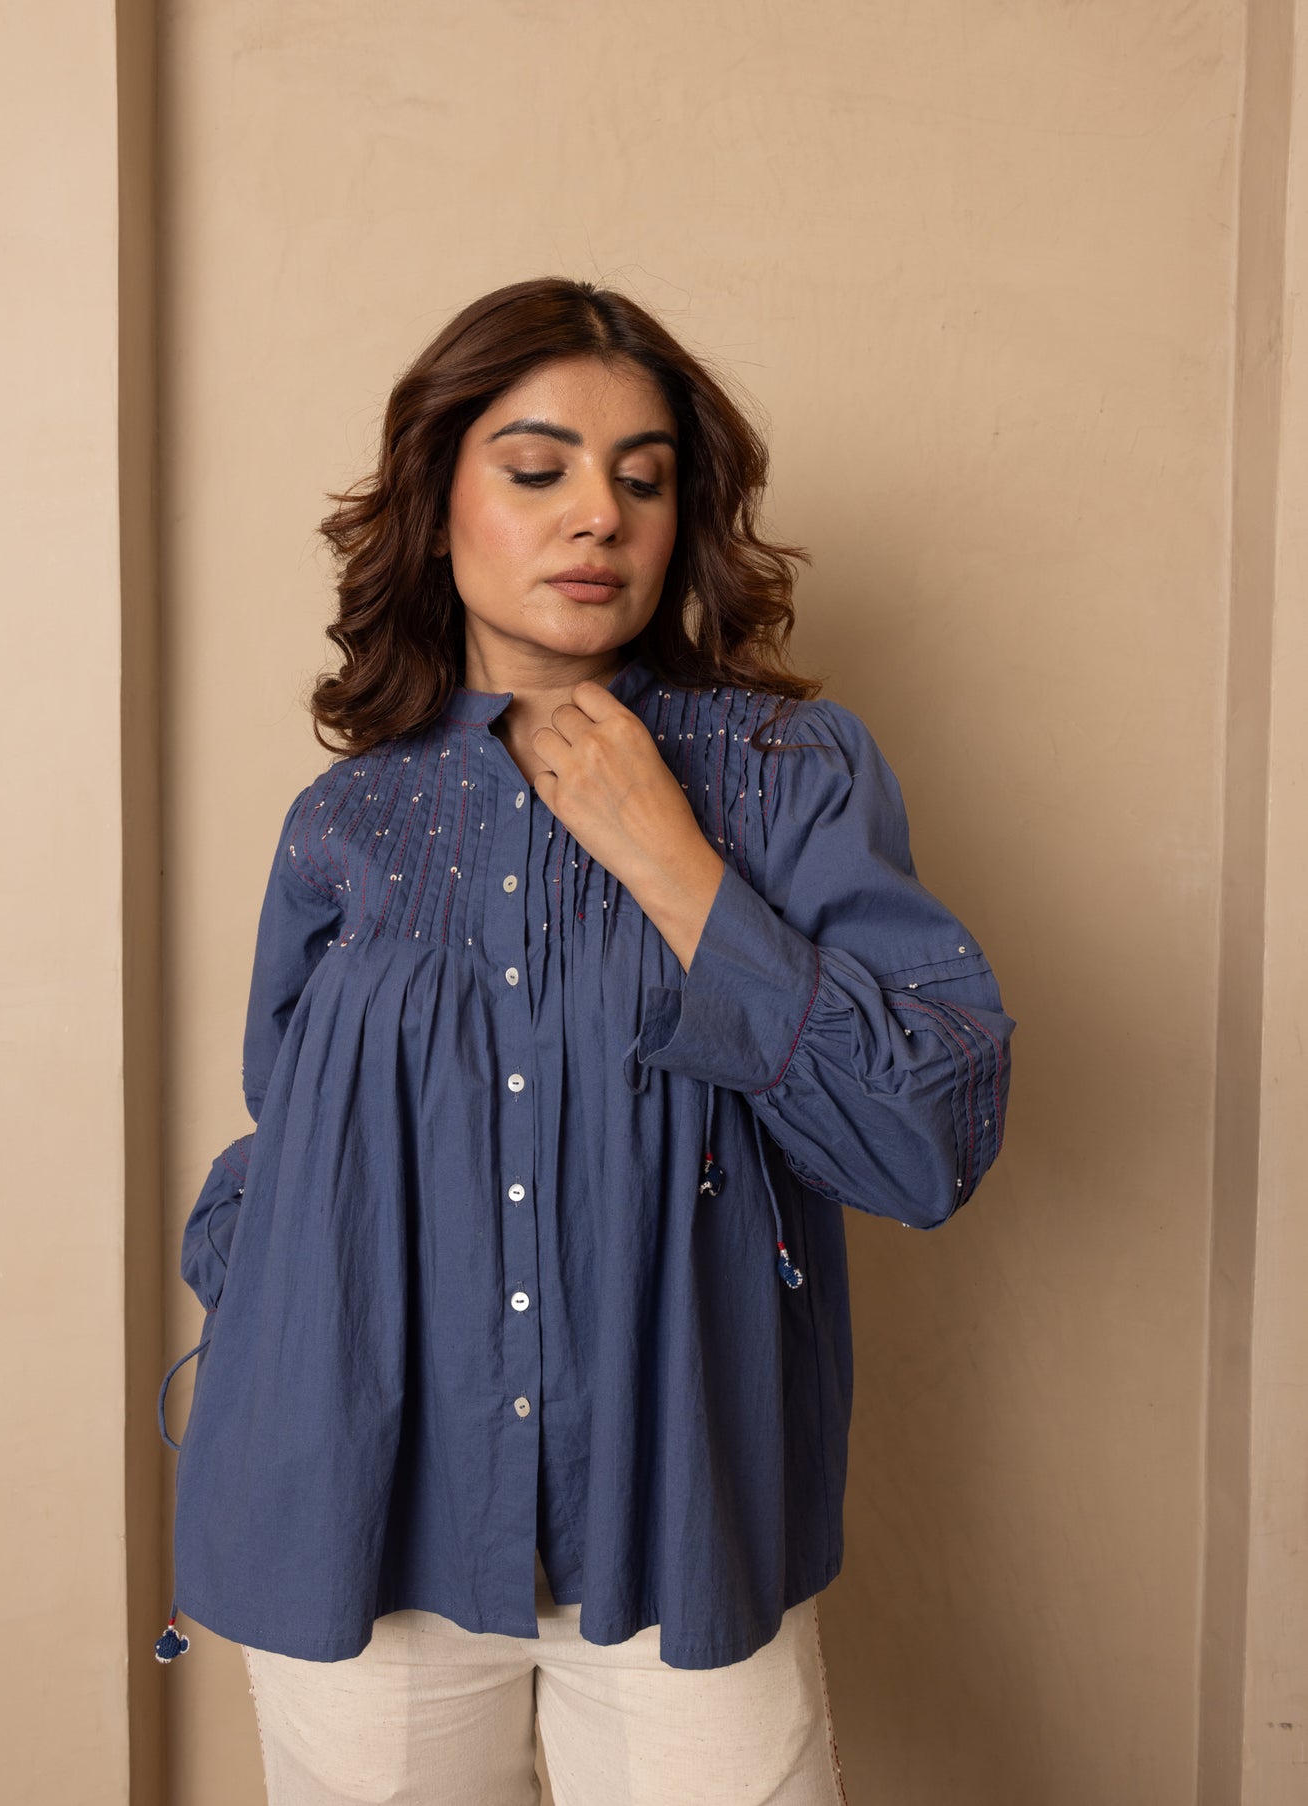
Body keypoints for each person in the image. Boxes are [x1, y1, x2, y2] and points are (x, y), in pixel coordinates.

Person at [154, 276, 1015, 1805]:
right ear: (437, 511)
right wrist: (272, 1292)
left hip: (679, 1516)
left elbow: (920, 1138)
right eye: (537, 469)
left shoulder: (788, 772)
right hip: (354, 1513)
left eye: (642, 478)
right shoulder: (350, 814)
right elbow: (288, 1125)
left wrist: (673, 866)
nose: (597, 515)